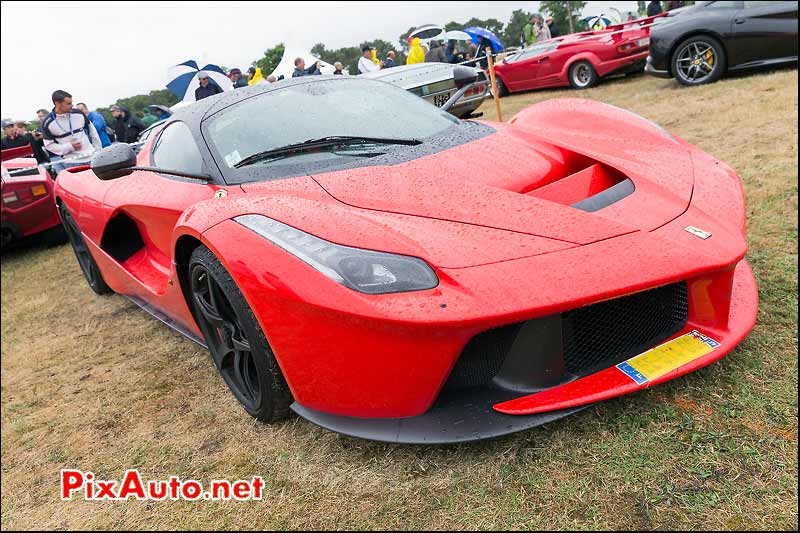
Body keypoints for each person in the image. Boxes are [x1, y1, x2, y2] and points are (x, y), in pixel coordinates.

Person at [41, 90, 102, 173]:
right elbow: (49, 145)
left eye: (71, 103)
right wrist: (69, 147)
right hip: (72, 162)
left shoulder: (79, 113)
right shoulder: (47, 123)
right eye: (68, 104)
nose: (72, 106)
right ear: (57, 104)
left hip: (92, 157)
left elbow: (93, 132)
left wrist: (98, 150)